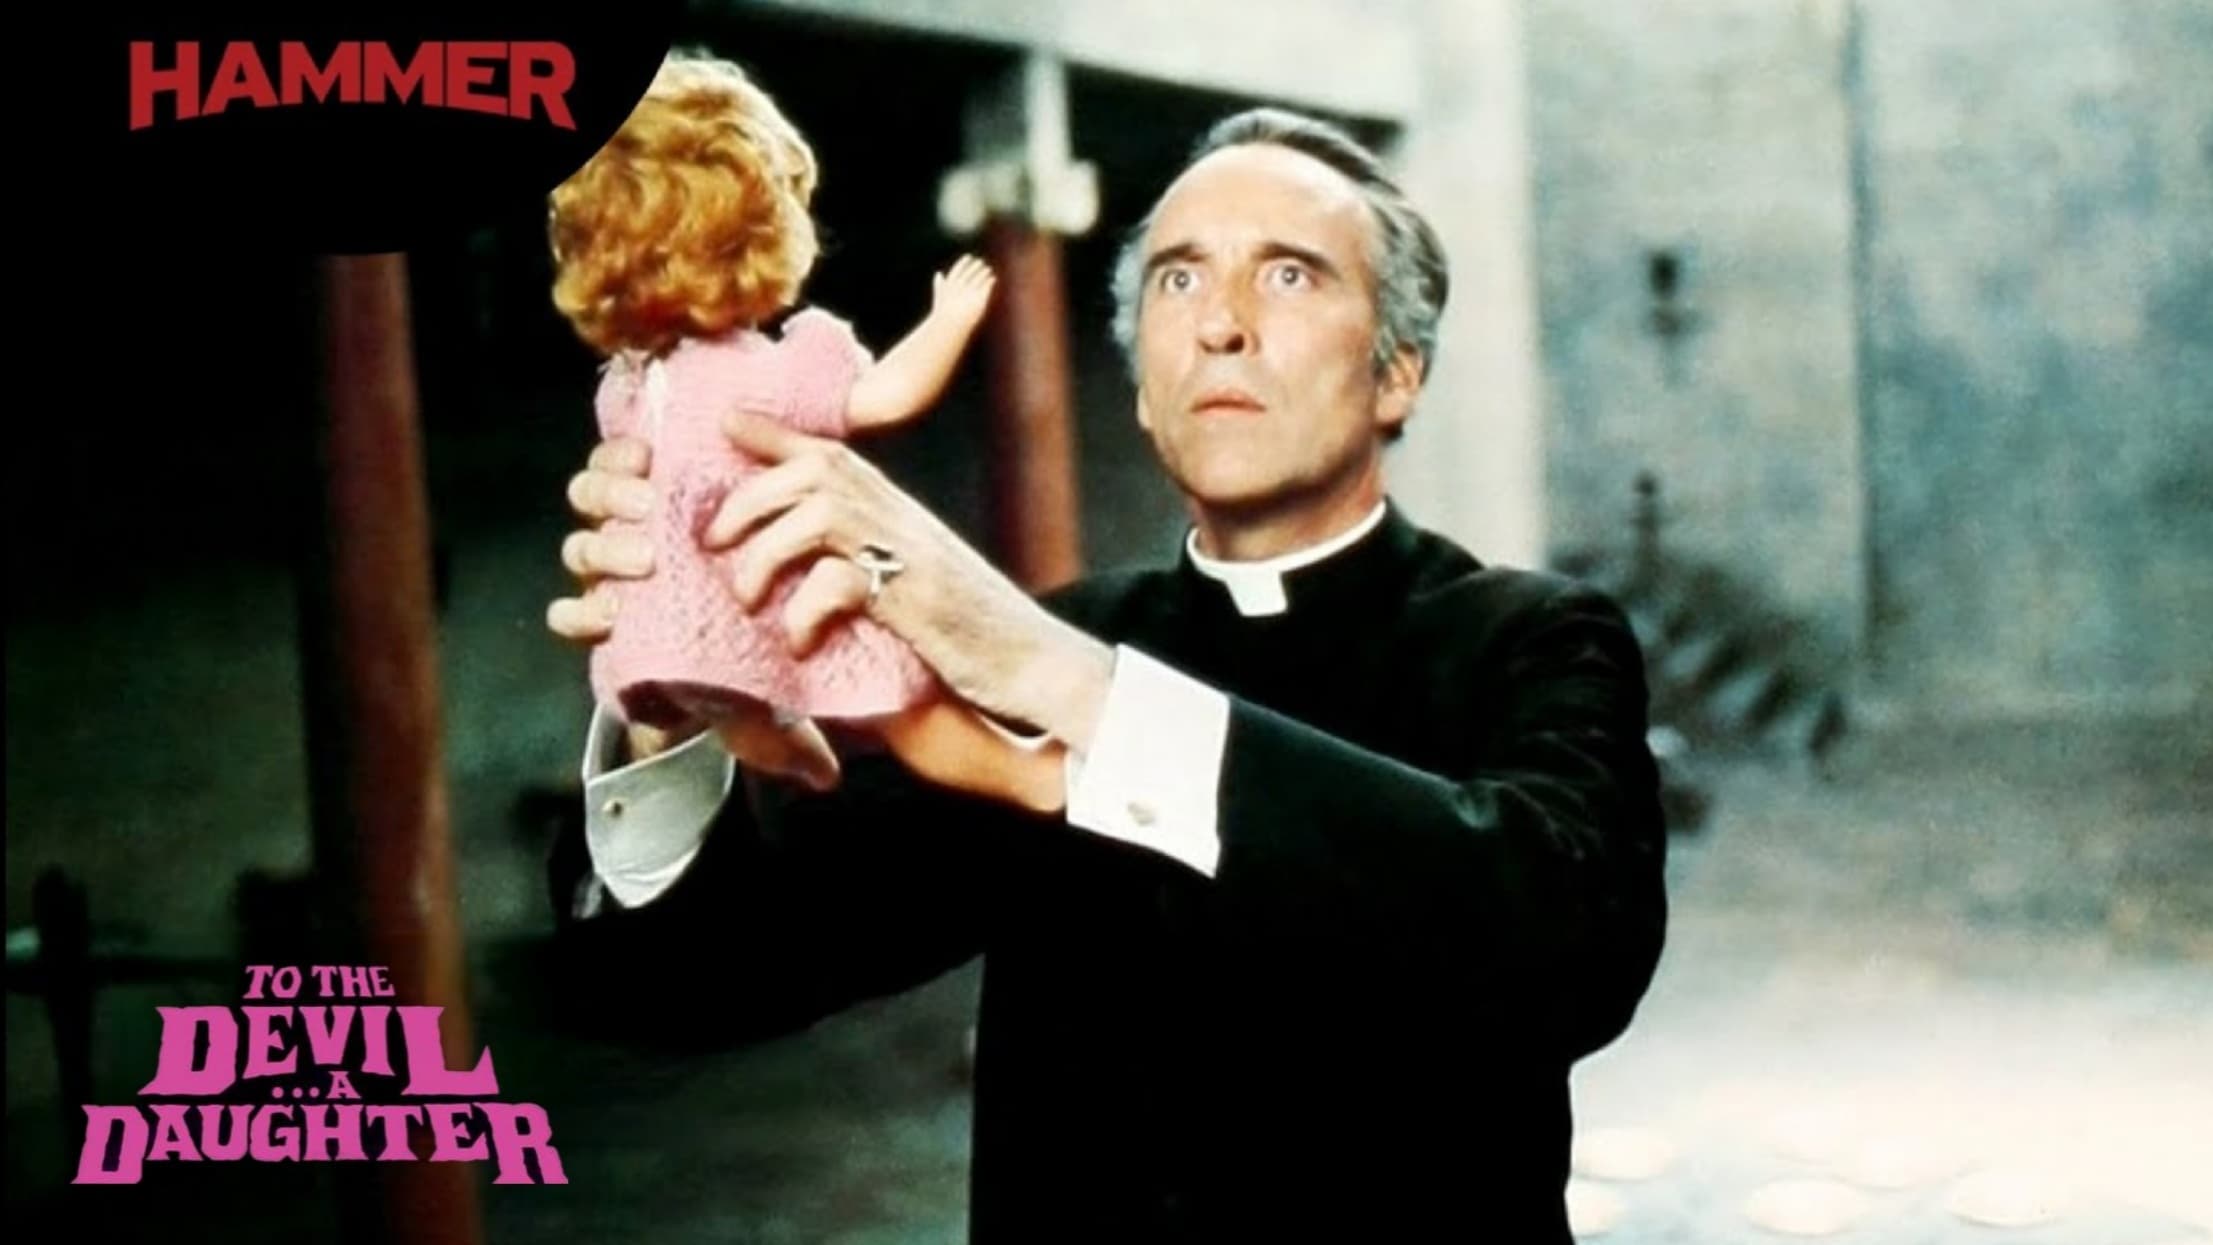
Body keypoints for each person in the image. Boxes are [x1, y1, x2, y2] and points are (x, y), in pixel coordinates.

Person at [544, 105, 1669, 1242]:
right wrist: (672, 706)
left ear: (1397, 376)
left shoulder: (1531, 637)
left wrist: (1059, 686)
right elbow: (688, 979)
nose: (1219, 325)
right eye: (1179, 280)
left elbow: (1562, 955)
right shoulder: (1060, 636)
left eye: (1287, 274)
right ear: (1141, 389)